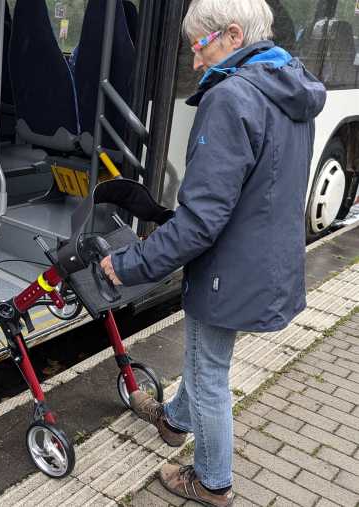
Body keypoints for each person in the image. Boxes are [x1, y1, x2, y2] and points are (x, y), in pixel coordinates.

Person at [100, 0, 326, 505]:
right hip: (263, 262)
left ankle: (212, 482)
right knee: (207, 357)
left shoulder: (231, 98)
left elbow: (200, 221)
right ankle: (174, 421)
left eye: (197, 49)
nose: (196, 63)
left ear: (230, 34)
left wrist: (128, 266)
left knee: (208, 374)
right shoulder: (289, 83)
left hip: (227, 268)